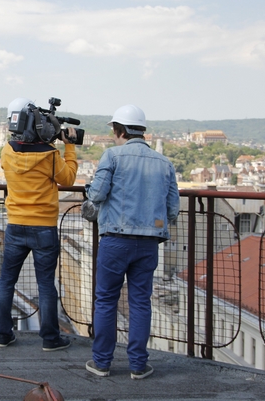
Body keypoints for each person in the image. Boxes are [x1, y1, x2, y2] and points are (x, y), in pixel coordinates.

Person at [84, 104, 180, 379]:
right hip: (149, 243)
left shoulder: (111, 156)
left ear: (119, 130)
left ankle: (102, 362)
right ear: (142, 131)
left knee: (106, 300)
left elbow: (98, 194)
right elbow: (173, 209)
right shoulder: (164, 163)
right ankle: (138, 365)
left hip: (115, 239)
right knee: (140, 302)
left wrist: (90, 190)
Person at [0, 97, 78, 351]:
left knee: (7, 281)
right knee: (45, 284)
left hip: (16, 225)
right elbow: (69, 179)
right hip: (44, 227)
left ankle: (3, 334)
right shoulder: (50, 155)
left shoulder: (7, 151)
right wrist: (70, 147)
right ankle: (50, 339)